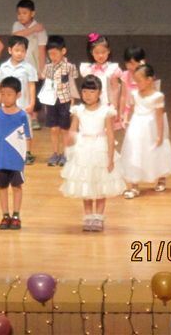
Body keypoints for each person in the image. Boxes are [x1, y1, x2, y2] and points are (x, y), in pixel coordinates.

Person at [60, 76, 124, 232]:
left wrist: (110, 158)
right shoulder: (78, 111)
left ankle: (99, 217)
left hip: (100, 148)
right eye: (84, 91)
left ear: (100, 93)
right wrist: (69, 140)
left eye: (92, 91)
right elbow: (73, 130)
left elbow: (110, 135)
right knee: (86, 182)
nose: (88, 95)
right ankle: (88, 216)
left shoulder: (105, 111)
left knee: (101, 183)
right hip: (83, 149)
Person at [119, 64, 171, 198]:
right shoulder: (135, 94)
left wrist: (160, 135)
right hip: (136, 127)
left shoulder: (157, 96)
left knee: (156, 153)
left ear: (149, 80)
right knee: (135, 153)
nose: (136, 83)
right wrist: (127, 120)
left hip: (150, 128)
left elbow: (159, 117)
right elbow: (132, 110)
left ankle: (161, 178)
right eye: (135, 81)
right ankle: (134, 185)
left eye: (139, 81)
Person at [0, 77, 32, 230]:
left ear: (18, 95)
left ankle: (16, 215)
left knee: (16, 186)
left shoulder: (22, 115)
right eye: (3, 94)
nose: (5, 97)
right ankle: (5, 215)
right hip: (0, 158)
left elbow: (27, 136)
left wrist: (26, 155)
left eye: (9, 94)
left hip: (16, 158)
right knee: (2, 187)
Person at [0, 35, 38, 164]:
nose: (19, 53)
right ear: (10, 50)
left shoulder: (29, 68)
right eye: (17, 50)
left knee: (25, 129)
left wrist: (32, 103)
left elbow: (31, 86)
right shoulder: (4, 67)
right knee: (7, 129)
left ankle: (27, 153)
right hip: (6, 106)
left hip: (23, 105)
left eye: (22, 51)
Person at [42, 35, 79, 167]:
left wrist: (73, 102)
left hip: (65, 101)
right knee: (53, 129)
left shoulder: (69, 67)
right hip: (51, 101)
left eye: (55, 53)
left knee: (64, 129)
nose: (52, 56)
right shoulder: (48, 67)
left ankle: (65, 154)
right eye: (50, 54)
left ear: (63, 51)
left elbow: (72, 84)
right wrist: (45, 102)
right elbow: (46, 85)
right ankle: (55, 153)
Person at [12, 0, 47, 130]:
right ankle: (19, 116)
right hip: (19, 66)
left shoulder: (40, 29)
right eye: (19, 13)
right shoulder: (17, 25)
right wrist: (33, 29)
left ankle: (34, 117)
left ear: (32, 13)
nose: (21, 16)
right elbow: (15, 36)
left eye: (24, 13)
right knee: (20, 91)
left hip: (34, 67)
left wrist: (41, 69)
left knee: (34, 92)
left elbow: (41, 50)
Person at [81, 34, 122, 111]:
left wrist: (115, 107)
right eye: (97, 53)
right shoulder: (87, 69)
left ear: (108, 51)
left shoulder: (112, 69)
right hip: (92, 106)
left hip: (108, 105)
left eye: (103, 52)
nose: (100, 55)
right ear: (91, 52)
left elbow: (115, 90)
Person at [120, 46, 148, 128]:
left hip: (143, 110)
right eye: (127, 63)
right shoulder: (125, 75)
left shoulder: (146, 76)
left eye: (132, 63)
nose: (129, 66)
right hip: (129, 111)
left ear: (141, 62)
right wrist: (121, 113)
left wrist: (143, 70)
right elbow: (123, 96)